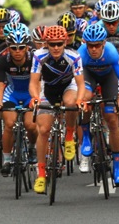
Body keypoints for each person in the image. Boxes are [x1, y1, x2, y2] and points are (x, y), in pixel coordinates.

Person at [29, 25, 85, 194]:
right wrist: (35, 97)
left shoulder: (73, 56)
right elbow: (33, 82)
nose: (55, 47)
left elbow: (81, 83)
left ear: (65, 42)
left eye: (59, 44)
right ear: (46, 43)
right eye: (51, 44)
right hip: (48, 90)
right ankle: (40, 173)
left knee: (70, 102)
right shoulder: (39, 56)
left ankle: (69, 135)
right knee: (44, 130)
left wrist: (80, 99)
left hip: (69, 86)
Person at [77, 24, 119, 183]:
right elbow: (77, 82)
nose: (93, 49)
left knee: (112, 119)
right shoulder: (81, 54)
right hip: (88, 76)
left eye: (97, 45)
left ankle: (118, 169)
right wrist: (81, 100)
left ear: (103, 43)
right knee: (85, 98)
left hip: (108, 78)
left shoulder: (111, 52)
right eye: (90, 45)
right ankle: (85, 136)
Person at [0, 25, 37, 177]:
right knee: (9, 124)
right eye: (14, 48)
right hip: (12, 94)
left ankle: (32, 147)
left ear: (27, 48)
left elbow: (40, 81)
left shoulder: (35, 59)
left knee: (31, 125)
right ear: (8, 48)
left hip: (30, 94)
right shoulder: (2, 60)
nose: (17, 51)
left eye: (21, 47)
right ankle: (6, 159)